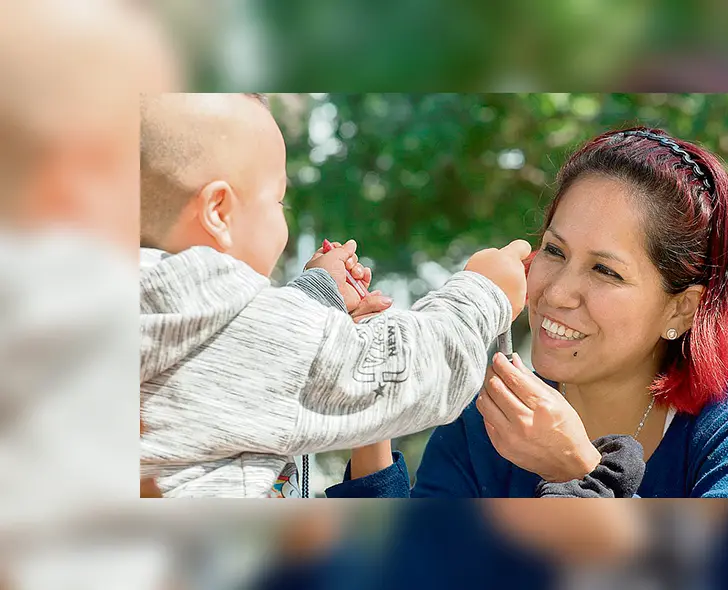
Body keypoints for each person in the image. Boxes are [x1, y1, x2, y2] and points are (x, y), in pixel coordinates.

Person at [327, 126, 728, 498]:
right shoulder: (490, 418)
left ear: (683, 308)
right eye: (554, 251)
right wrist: (371, 407)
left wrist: (580, 471)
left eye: (606, 271)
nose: (557, 292)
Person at [139, 93, 532, 497]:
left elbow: (248, 358)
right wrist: (483, 293)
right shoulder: (239, 334)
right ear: (218, 211)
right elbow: (409, 371)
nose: (284, 216)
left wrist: (318, 294)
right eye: (278, 200)